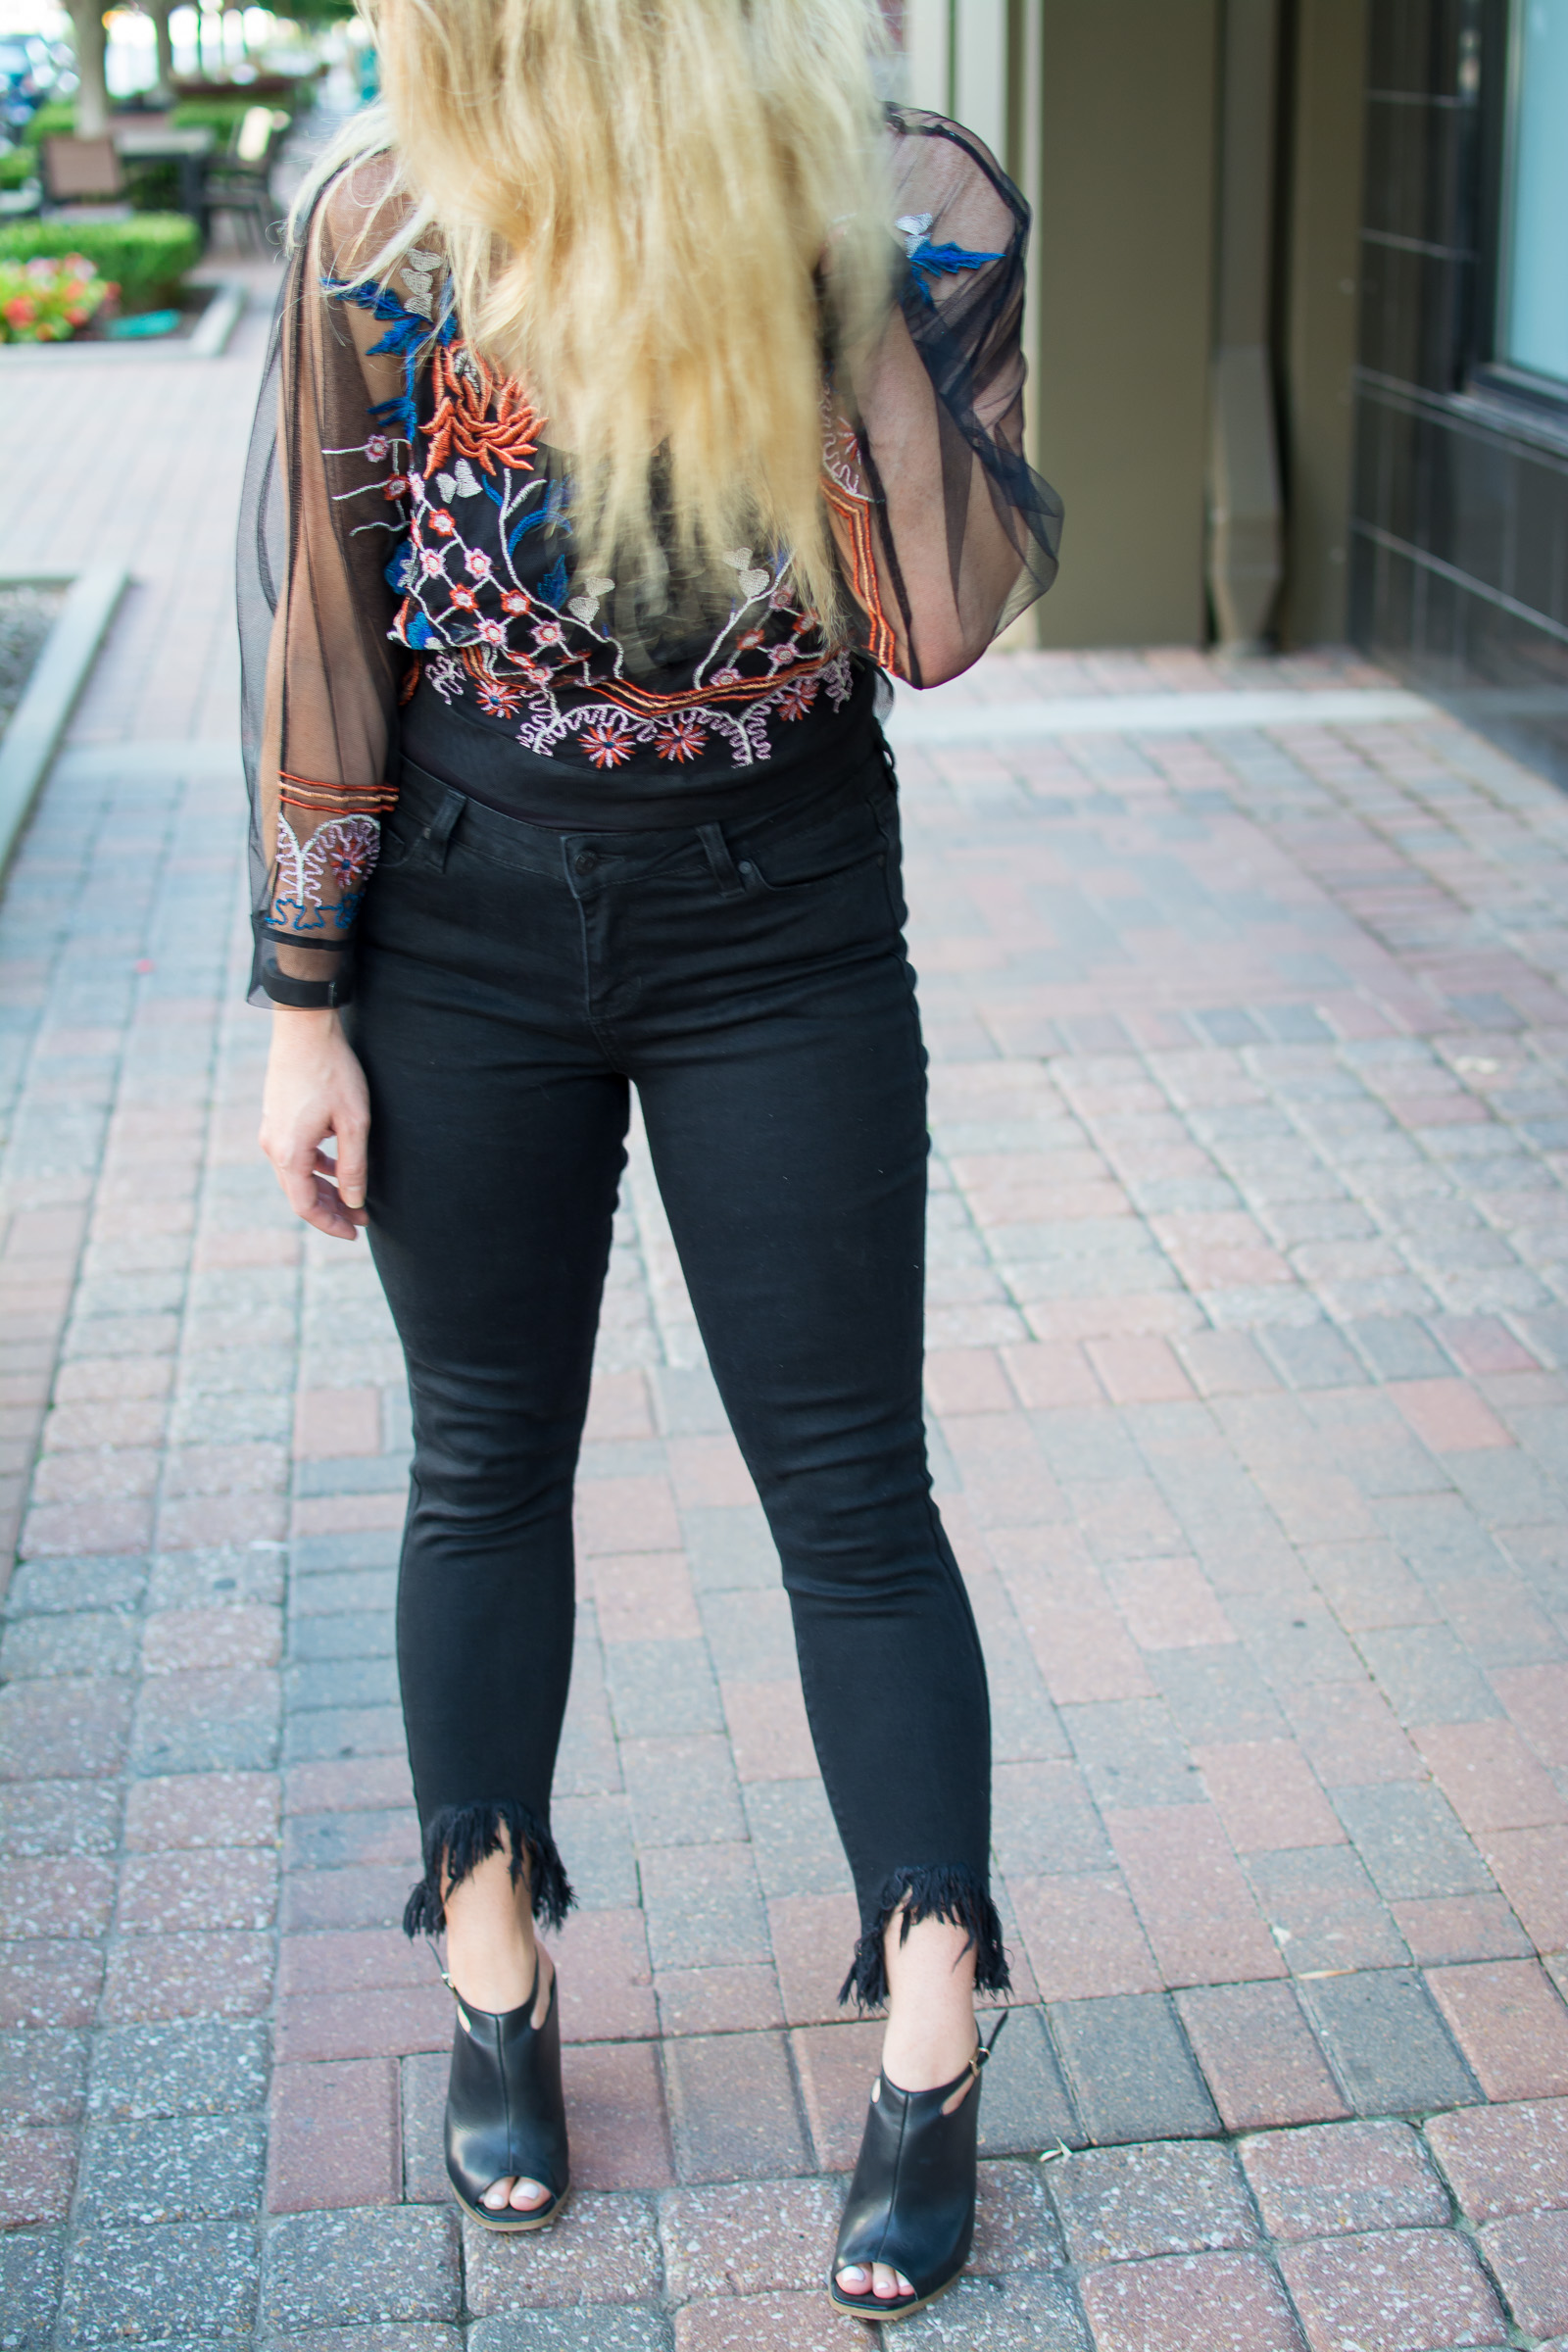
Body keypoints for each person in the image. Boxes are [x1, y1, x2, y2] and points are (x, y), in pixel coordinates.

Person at [240, 0, 1059, 2320]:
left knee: (848, 1484)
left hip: (778, 921)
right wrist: (305, 1002)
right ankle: (492, 1979)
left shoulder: (915, 203)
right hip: (465, 930)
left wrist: (814, 286)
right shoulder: (394, 231)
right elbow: (331, 622)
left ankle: (929, 2040)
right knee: (482, 1459)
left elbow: (931, 620)